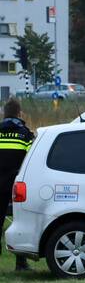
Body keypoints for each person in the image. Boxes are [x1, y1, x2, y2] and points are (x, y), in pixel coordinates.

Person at [1, 98, 33, 271]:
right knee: (20, 222)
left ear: (4, 114)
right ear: (19, 113)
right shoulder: (25, 133)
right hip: (17, 185)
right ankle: (20, 263)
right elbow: (31, 160)